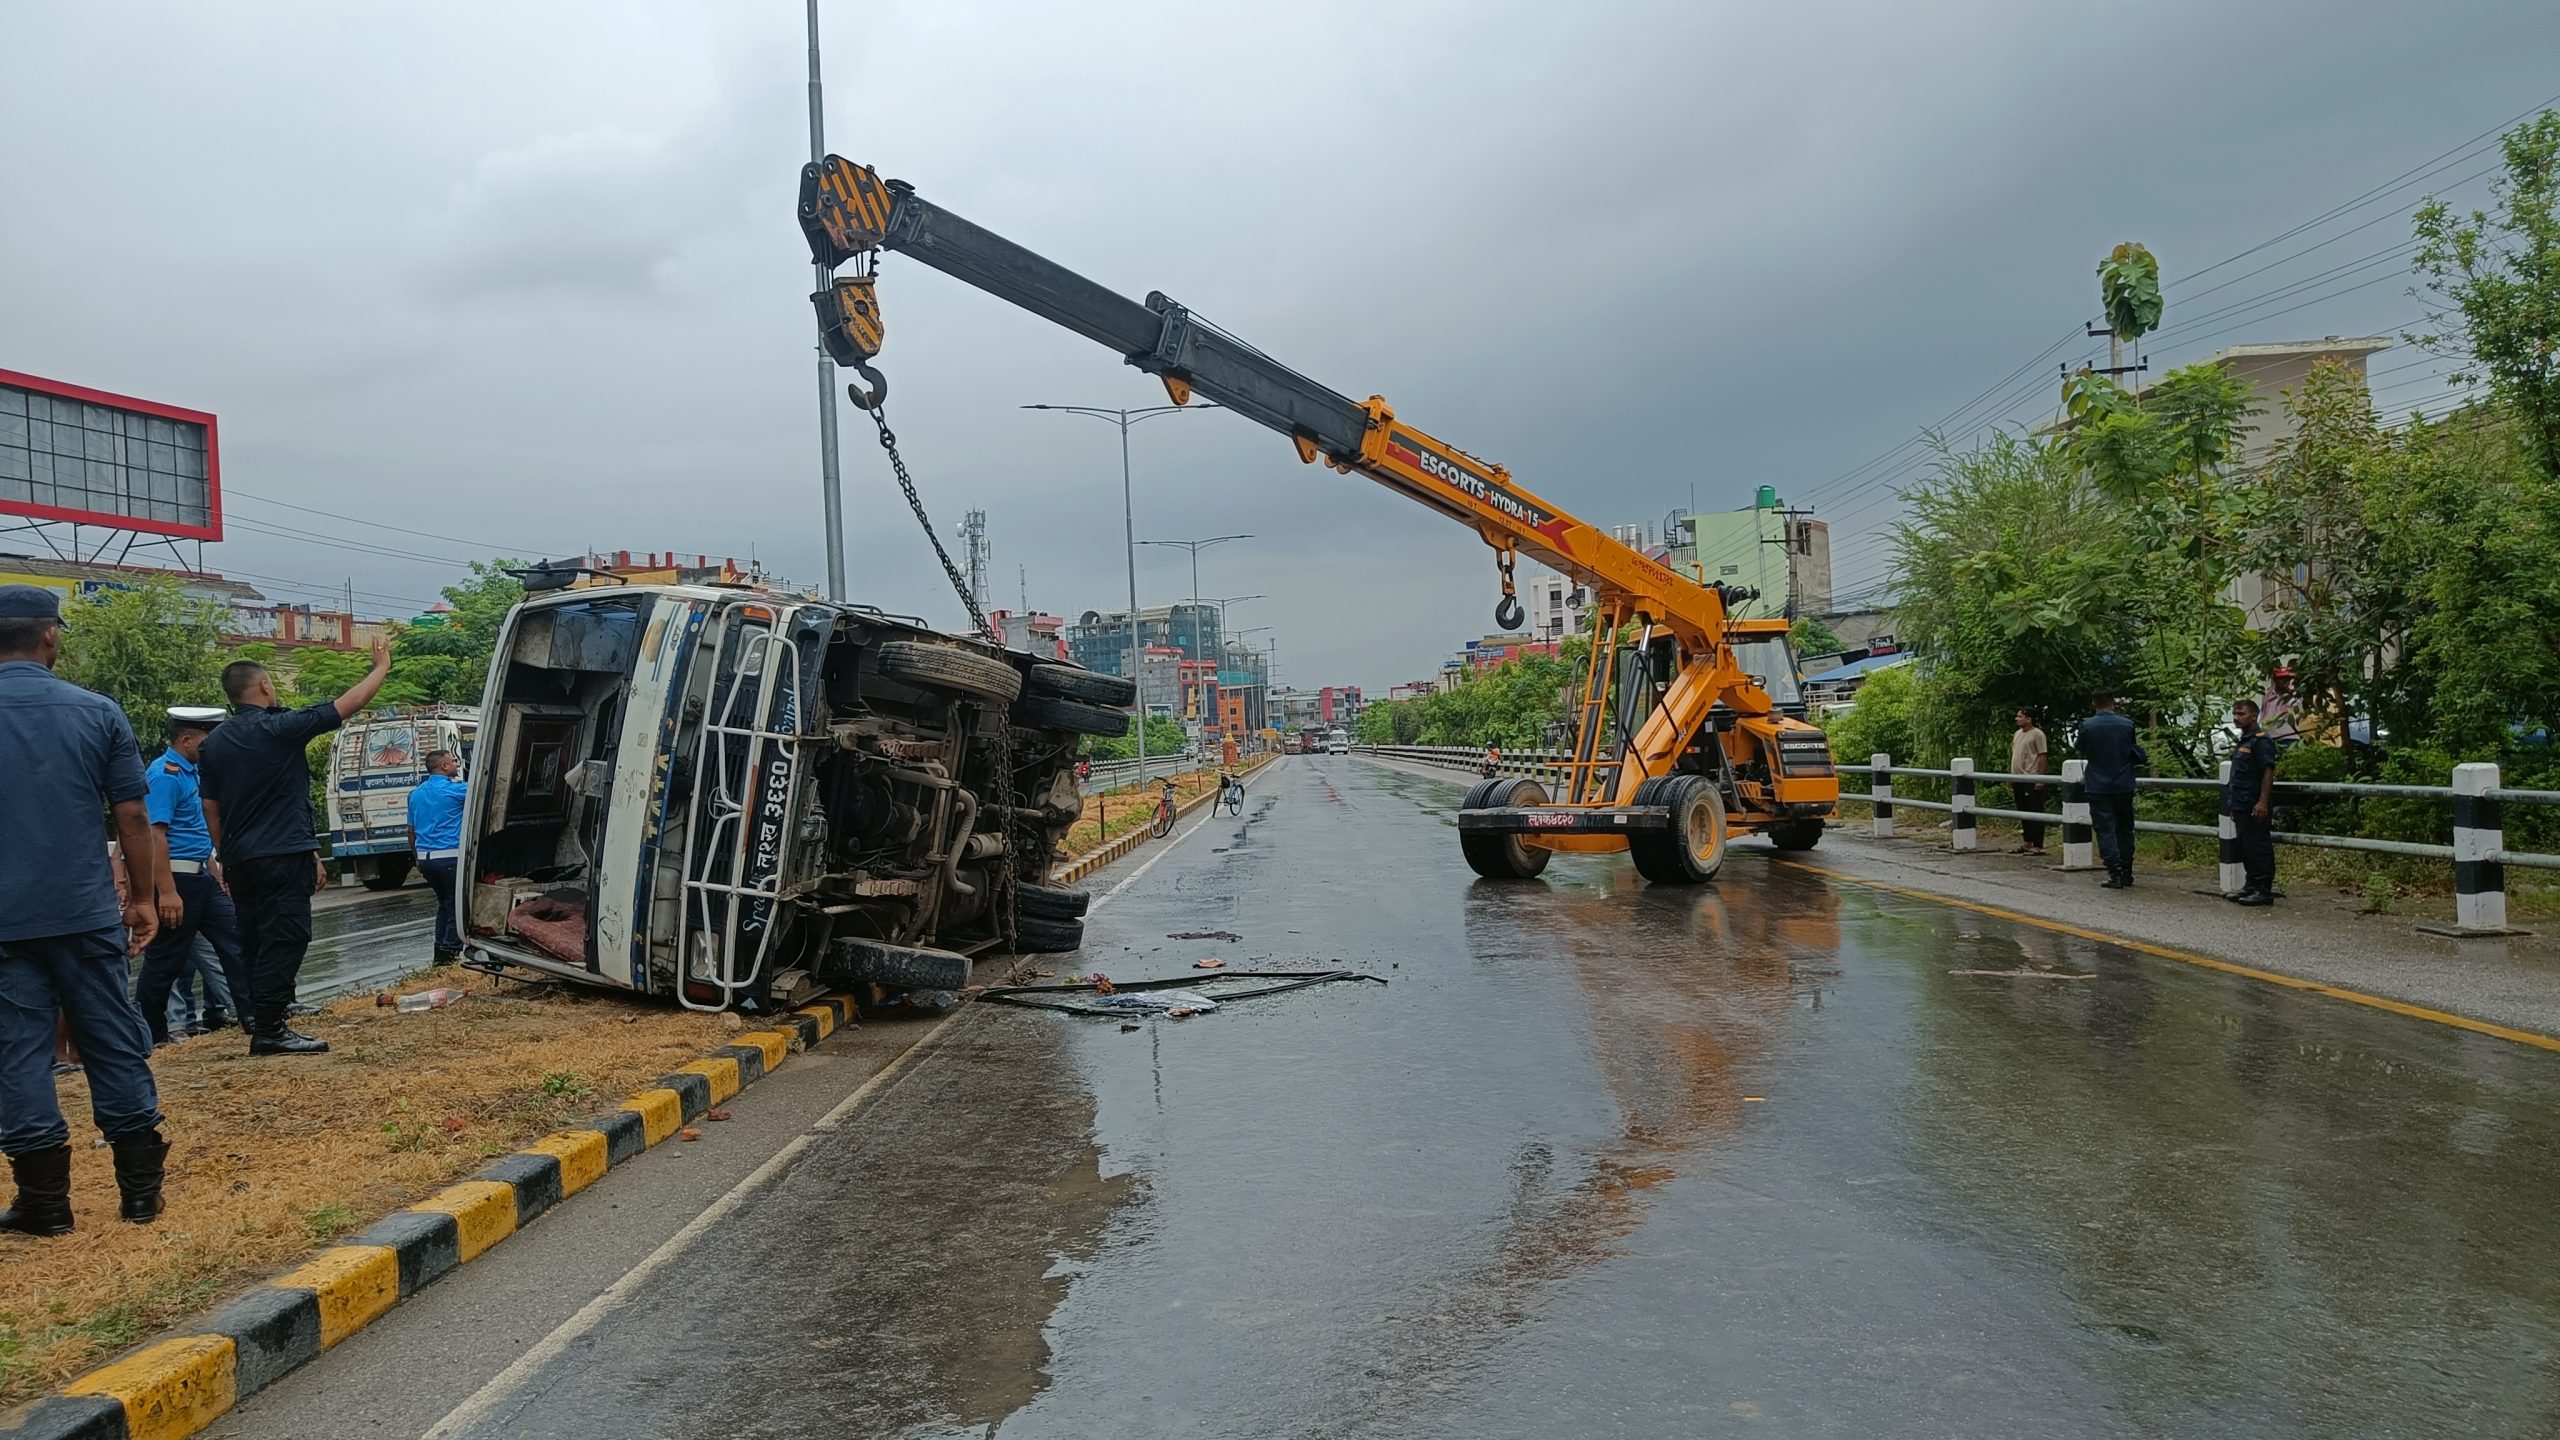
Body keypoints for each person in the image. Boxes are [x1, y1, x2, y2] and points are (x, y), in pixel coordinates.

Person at [0, 583, 169, 1234]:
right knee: (109, 1041)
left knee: (17, 1052)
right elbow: (132, 813)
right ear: (49, 635)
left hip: (7, 922)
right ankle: (138, 1196)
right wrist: (146, 898)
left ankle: (45, 1206)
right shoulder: (97, 712)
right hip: (84, 910)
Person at [201, 637, 392, 1056]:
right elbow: (346, 705)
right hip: (279, 854)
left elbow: (210, 806)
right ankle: (270, 1029)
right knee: (286, 936)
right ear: (265, 686)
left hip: (240, 857)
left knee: (253, 937)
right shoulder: (279, 728)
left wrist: (226, 853)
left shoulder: (213, 742)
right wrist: (380, 667)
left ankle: (261, 1013)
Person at [131, 707, 252, 1046]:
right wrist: (167, 893)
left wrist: (215, 871)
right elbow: (156, 836)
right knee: (166, 960)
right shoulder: (165, 775)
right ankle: (152, 1035)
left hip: (201, 877)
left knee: (235, 941)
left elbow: (195, 832)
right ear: (186, 739)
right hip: (176, 881)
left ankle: (254, 1014)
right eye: (206, 741)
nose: (211, 748)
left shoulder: (193, 772)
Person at [2078, 689, 2148, 889]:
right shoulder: (2127, 724)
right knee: (2125, 828)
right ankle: (2127, 870)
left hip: (2098, 785)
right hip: (2123, 783)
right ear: (2113, 702)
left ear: (2094, 703)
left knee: (2105, 829)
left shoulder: (2087, 726)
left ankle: (2114, 871)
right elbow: (2131, 748)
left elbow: (2081, 748)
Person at [408, 748, 469, 963]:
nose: (456, 765)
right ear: (443, 766)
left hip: (426, 858)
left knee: (443, 903)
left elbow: (411, 831)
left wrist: (417, 857)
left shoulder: (415, 793)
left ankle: (439, 951)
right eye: (453, 761)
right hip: (450, 856)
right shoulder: (457, 790)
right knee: (456, 905)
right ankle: (450, 953)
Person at [2226, 698, 2280, 906]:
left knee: (2258, 846)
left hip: (2254, 803)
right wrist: (2233, 805)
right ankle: (2251, 885)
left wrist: (2262, 802)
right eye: (2235, 714)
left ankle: (2263, 889)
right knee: (2245, 846)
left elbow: (2267, 772)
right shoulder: (2244, 741)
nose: (2237, 718)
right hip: (2241, 803)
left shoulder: (2261, 740)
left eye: (2242, 714)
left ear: (2254, 715)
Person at [2009, 709, 2049, 854]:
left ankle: (2038, 844)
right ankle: (2027, 841)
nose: (2017, 719)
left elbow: (2042, 756)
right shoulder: (2017, 734)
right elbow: (2015, 755)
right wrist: (2011, 776)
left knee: (2035, 810)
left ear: (2029, 719)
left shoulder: (2037, 734)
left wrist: (2040, 778)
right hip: (2018, 777)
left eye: (2020, 716)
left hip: (2031, 777)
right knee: (2023, 811)